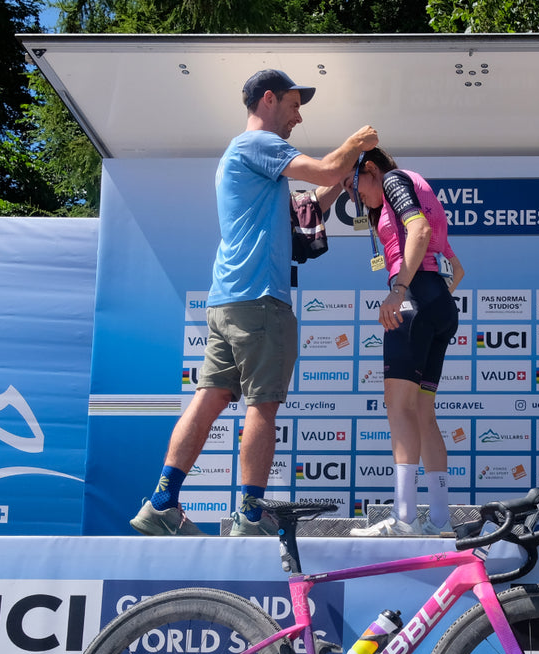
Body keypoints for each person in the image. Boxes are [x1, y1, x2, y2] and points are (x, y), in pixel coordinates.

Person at [131, 69, 378, 536]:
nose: (298, 117)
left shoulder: (243, 155)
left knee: (208, 399)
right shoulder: (259, 143)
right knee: (263, 406)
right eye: (293, 105)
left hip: (228, 299)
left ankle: (162, 502)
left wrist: (340, 176)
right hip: (262, 300)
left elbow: (307, 205)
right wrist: (355, 143)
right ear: (268, 99)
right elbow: (326, 168)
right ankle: (250, 514)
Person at [345, 148, 465, 536]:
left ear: (371, 170)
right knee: (423, 413)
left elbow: (420, 231)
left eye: (353, 185)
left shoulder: (395, 180)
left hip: (413, 298)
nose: (353, 196)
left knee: (398, 407)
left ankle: (405, 518)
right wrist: (433, 298)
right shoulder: (418, 186)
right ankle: (440, 520)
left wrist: (399, 290)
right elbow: (457, 269)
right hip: (437, 302)